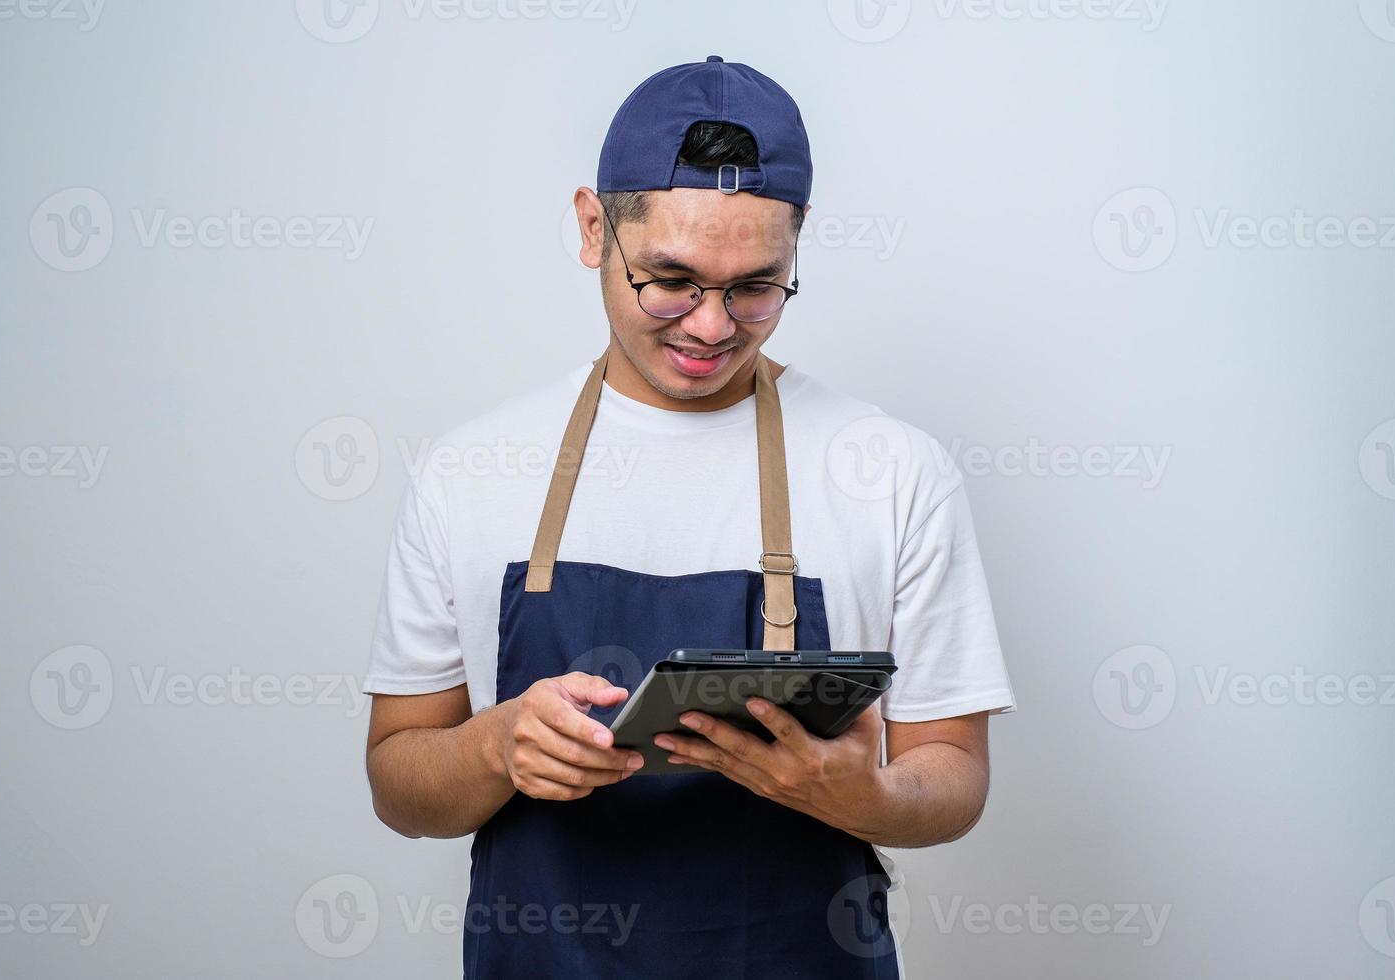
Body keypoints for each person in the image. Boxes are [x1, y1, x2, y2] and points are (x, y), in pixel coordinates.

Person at [362, 55, 1016, 979]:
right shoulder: (469, 473)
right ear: (594, 228)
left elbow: (952, 776)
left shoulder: (894, 471)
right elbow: (400, 781)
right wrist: (494, 747)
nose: (711, 328)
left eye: (755, 285)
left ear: (798, 244)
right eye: (669, 279)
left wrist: (860, 795)